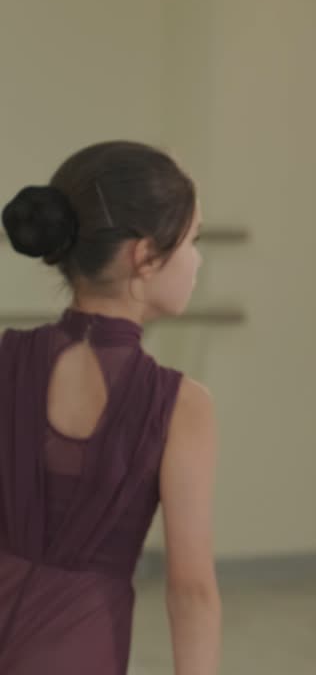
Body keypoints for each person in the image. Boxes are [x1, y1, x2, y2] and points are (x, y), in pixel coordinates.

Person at [0, 141, 221, 674]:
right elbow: (190, 591)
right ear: (144, 256)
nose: (197, 260)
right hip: (78, 651)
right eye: (193, 240)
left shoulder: (5, 359)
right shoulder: (180, 405)